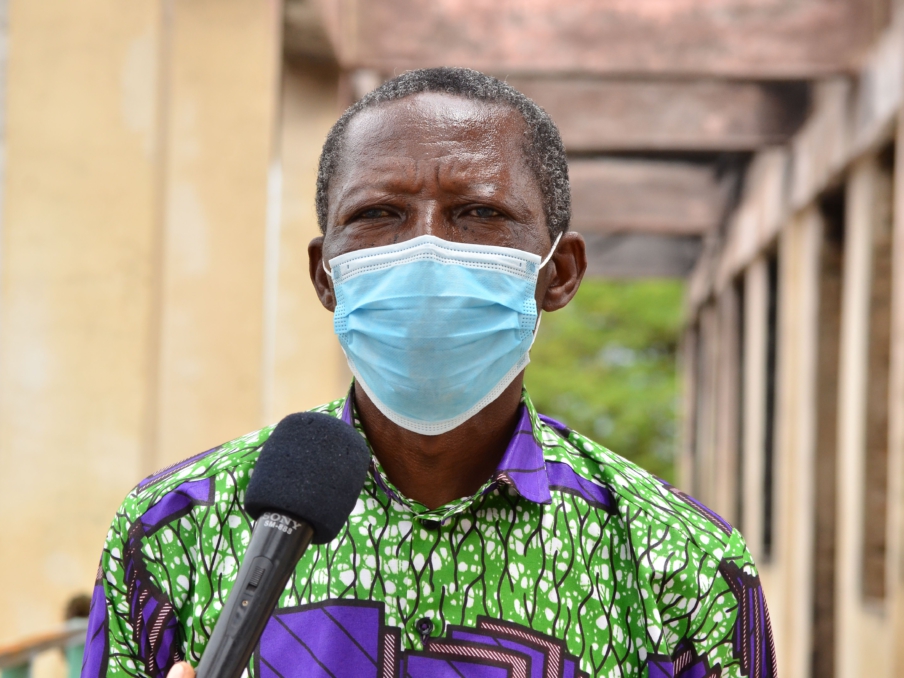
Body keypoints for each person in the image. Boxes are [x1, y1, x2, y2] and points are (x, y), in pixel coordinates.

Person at [80, 68, 776, 678]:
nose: (427, 251)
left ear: (559, 273)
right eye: (378, 214)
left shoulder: (681, 563)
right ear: (326, 276)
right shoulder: (176, 533)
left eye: (479, 212)